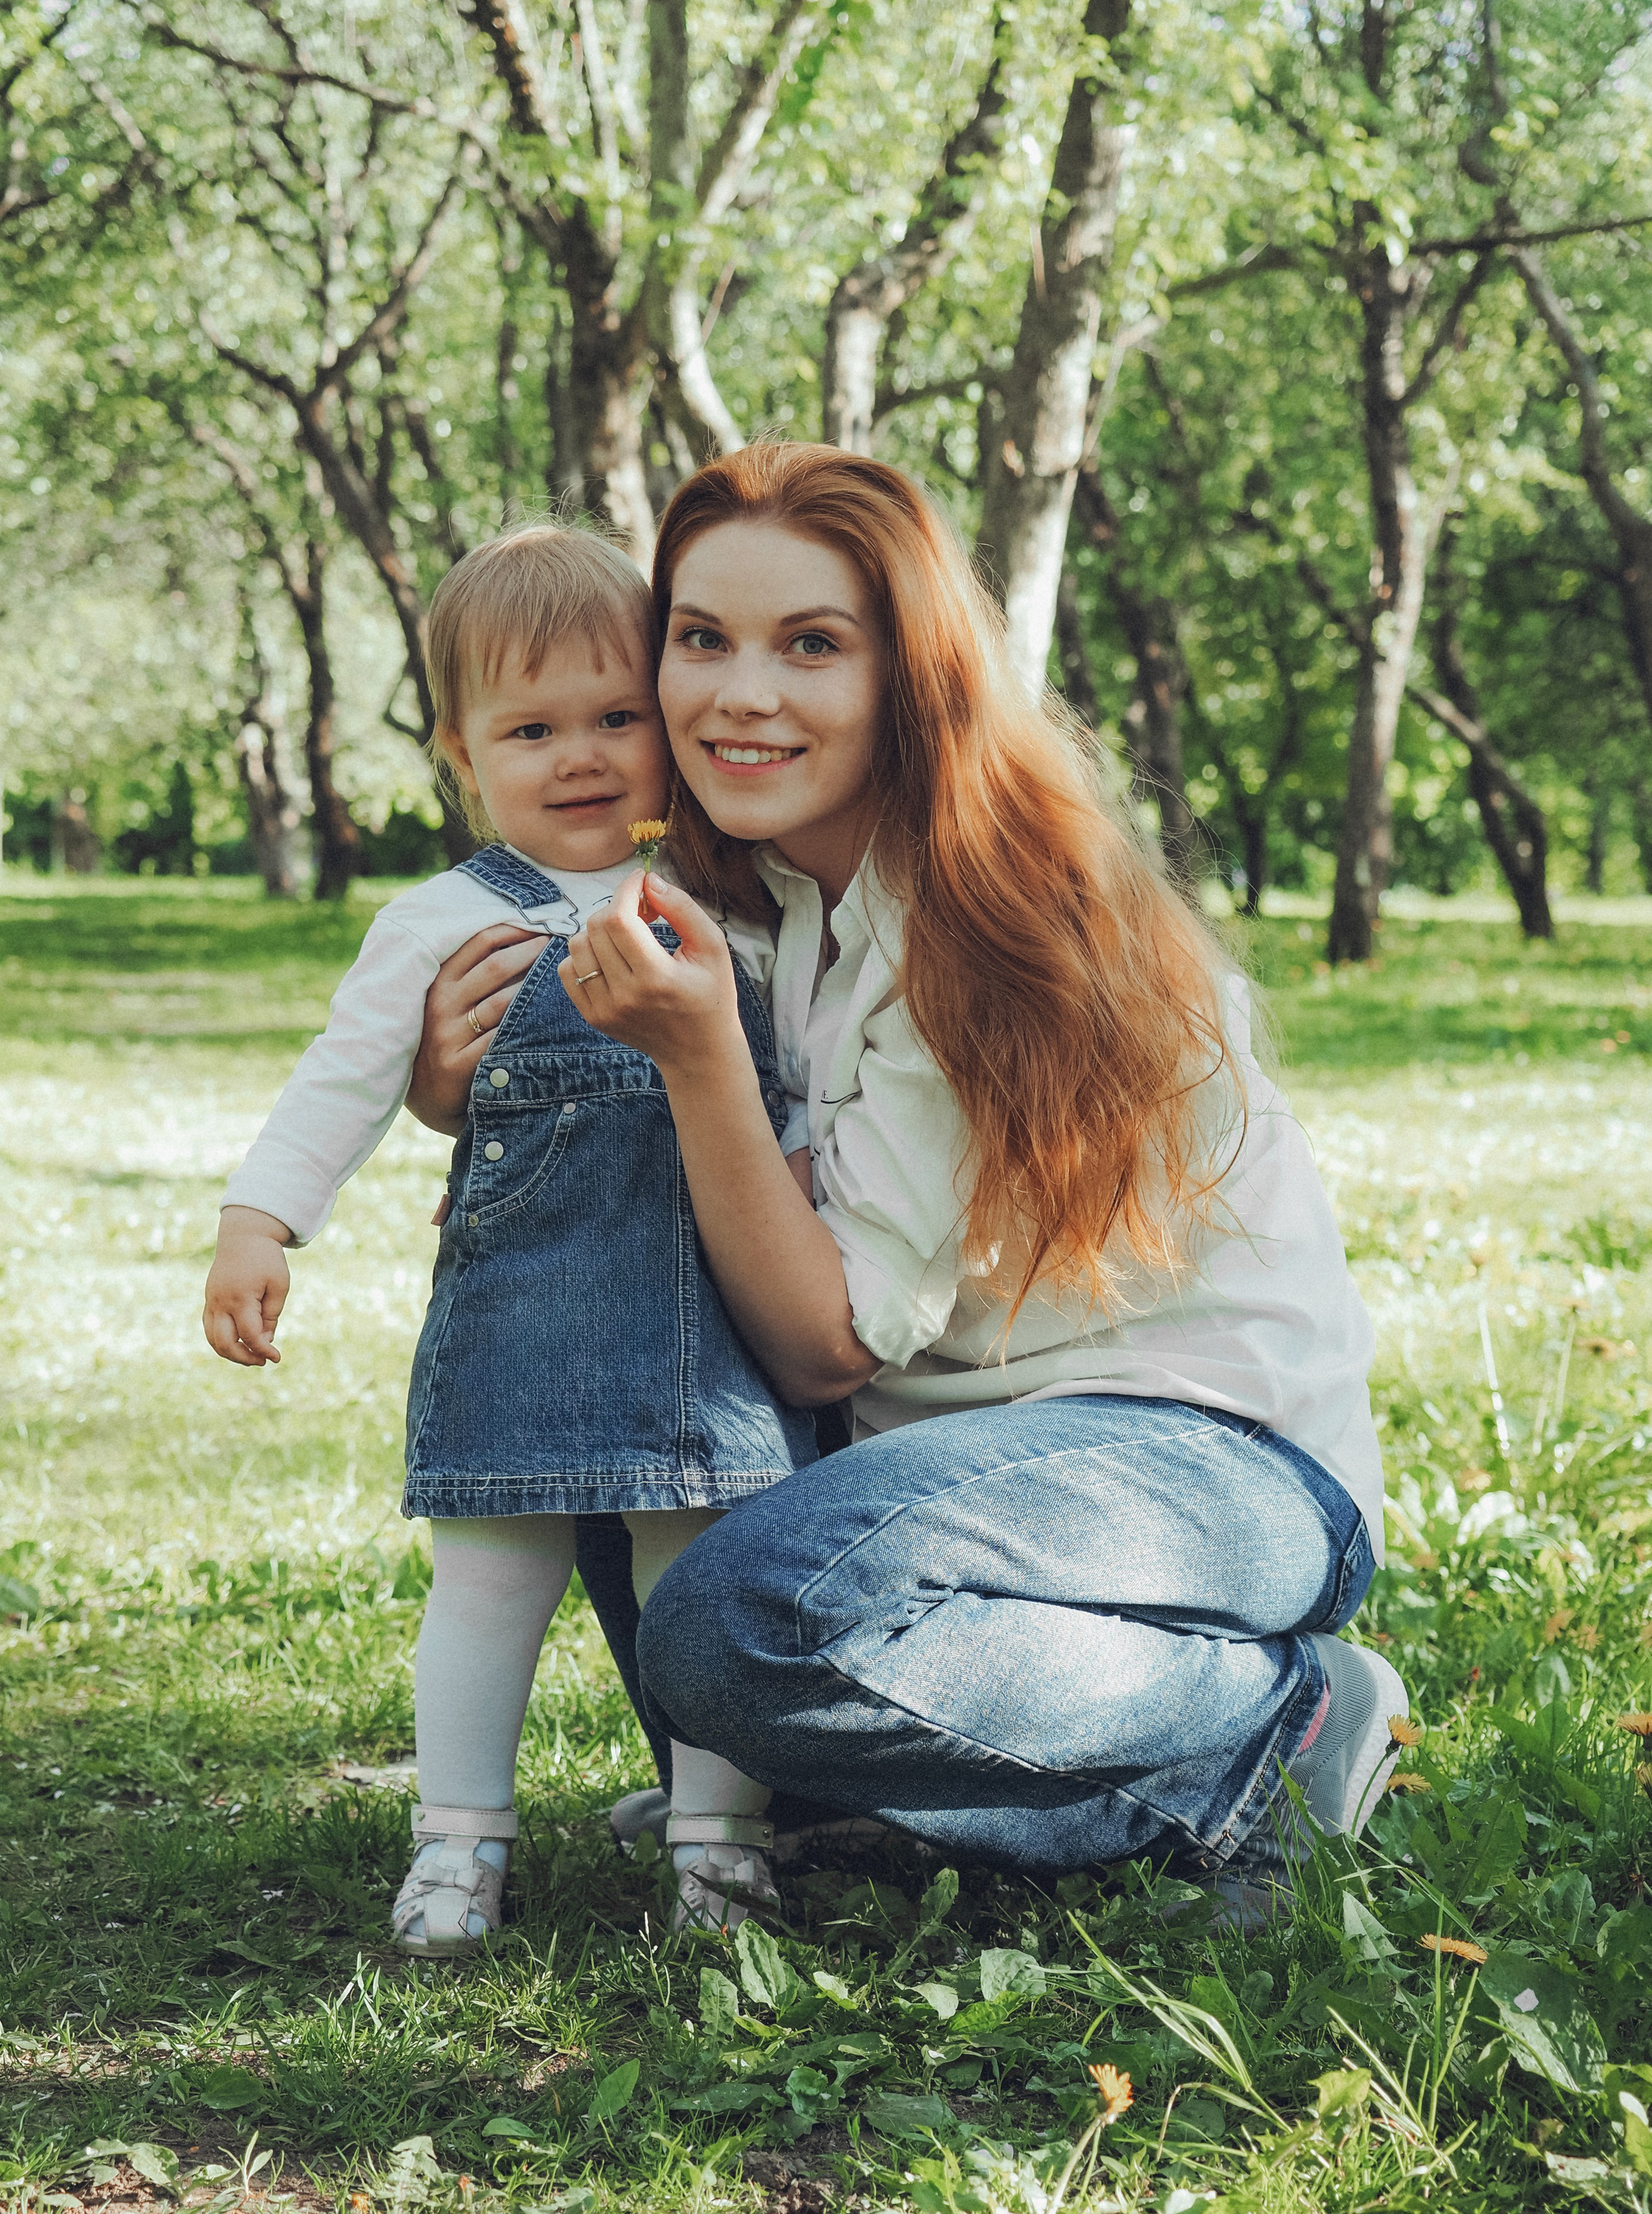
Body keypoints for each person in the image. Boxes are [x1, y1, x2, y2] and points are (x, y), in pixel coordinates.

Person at [411, 445, 1411, 1927]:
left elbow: (823, 1335)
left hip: (1202, 1461)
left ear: (911, 675)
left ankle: (1273, 1731)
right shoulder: (749, 894)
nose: (740, 694)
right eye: (702, 640)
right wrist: (455, 1088)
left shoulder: (993, 914)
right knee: (638, 1453)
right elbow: (648, 1227)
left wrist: (701, 1068)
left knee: (738, 1627)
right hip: (927, 1466)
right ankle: (865, 1789)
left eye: (809, 644)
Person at [202, 523, 816, 1954]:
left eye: (615, 719)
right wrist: (259, 1219)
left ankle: (717, 1846)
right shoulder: (439, 922)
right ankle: (458, 1845)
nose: (582, 756)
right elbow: (341, 1078)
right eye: (531, 728)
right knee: (487, 1587)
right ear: (460, 752)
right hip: (520, 1312)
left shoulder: (737, 912)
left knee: (696, 1590)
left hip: (702, 1327)